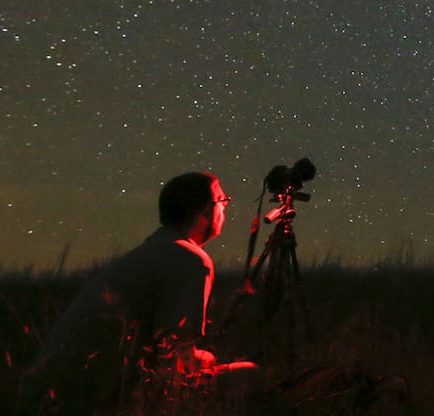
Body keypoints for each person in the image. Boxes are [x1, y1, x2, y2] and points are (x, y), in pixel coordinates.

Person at [20, 171, 259, 414]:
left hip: (52, 393)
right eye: (223, 201)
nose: (225, 209)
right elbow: (176, 361)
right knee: (249, 376)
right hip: (92, 397)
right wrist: (204, 358)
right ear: (207, 210)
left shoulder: (153, 251)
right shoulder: (191, 260)